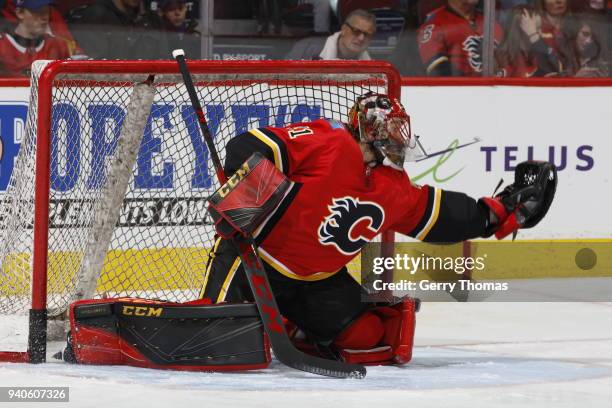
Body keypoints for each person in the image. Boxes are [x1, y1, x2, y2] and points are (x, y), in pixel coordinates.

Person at [201, 92, 556, 364]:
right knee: (217, 343)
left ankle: (293, 327)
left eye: (401, 128)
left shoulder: (393, 184)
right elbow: (249, 146)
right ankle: (265, 320)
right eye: (391, 128)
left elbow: (437, 215)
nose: (400, 137)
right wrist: (246, 181)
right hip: (254, 262)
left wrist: (491, 215)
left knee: (369, 335)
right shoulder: (329, 141)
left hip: (319, 281)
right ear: (368, 127)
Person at [417, 0, 504, 76]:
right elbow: (441, 77)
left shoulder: (492, 22)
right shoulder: (434, 26)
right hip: (465, 92)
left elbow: (513, 65)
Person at [67, 0, 168, 59]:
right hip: (108, 89)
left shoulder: (152, 19)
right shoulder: (96, 15)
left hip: (148, 85)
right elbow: (96, 62)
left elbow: (164, 57)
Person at [0, 0, 72, 77]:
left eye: (47, 11)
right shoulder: (2, 47)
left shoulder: (58, 45)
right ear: (20, 13)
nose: (45, 17)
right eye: (38, 11)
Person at [496, 6, 563, 77]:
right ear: (523, 31)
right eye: (537, 29)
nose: (540, 35)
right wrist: (533, 34)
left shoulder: (537, 55)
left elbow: (555, 70)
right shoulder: (503, 59)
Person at [285, 8, 375, 60]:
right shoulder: (306, 48)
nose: (361, 38)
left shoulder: (372, 64)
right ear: (343, 29)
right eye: (356, 31)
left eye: (367, 35)